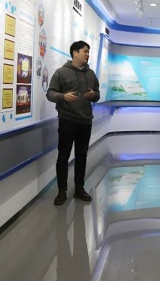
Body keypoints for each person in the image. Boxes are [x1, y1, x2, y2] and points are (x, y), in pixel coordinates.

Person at [47, 41, 100, 206]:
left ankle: (79, 188)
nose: (87, 54)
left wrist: (94, 95)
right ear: (75, 53)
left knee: (82, 156)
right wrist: (63, 97)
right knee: (63, 156)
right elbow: (50, 93)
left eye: (88, 52)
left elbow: (97, 94)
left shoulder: (91, 74)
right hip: (67, 120)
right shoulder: (61, 72)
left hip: (85, 121)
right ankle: (61, 191)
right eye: (85, 51)